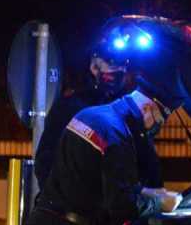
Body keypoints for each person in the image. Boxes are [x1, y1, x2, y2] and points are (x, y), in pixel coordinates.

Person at [25, 15, 188, 225]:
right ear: (150, 108)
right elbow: (120, 202)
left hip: (42, 222)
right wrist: (161, 203)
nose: (159, 125)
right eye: (162, 117)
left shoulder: (90, 115)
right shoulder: (117, 134)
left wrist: (145, 193)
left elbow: (78, 173)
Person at [34, 37, 131, 191]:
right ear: (94, 67)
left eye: (123, 65)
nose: (119, 71)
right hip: (72, 202)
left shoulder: (125, 112)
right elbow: (46, 160)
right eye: (112, 64)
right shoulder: (69, 108)